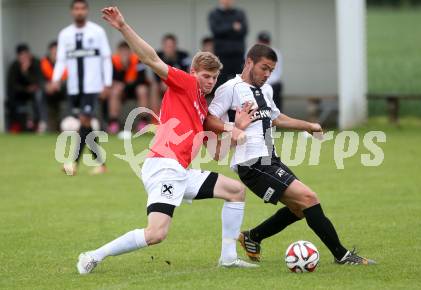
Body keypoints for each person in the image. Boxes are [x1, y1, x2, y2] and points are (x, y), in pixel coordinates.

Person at [76, 6, 258, 275]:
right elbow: (151, 59)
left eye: (214, 78)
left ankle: (228, 258)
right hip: (164, 167)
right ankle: (93, 255)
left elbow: (215, 140)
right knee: (156, 234)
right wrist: (123, 27)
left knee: (235, 191)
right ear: (194, 72)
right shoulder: (185, 84)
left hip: (180, 171)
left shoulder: (199, 106)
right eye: (205, 76)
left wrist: (236, 128)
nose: (209, 82)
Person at [205, 44, 376, 265]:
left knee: (299, 208)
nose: (267, 75)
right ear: (249, 62)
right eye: (264, 68)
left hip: (270, 159)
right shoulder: (231, 88)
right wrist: (234, 129)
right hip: (252, 163)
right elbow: (209, 118)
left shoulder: (266, 90)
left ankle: (252, 237)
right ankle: (342, 255)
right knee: (309, 198)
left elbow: (277, 118)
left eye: (271, 70)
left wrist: (309, 125)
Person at [52, 0, 112, 175]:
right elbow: (61, 60)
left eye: (82, 9)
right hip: (74, 87)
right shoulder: (65, 34)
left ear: (86, 11)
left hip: (91, 86)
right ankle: (101, 164)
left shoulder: (97, 32)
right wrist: (55, 79)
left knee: (84, 122)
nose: (79, 12)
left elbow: (106, 58)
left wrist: (107, 83)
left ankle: (72, 164)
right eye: (76, 9)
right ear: (72, 12)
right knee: (85, 125)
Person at [107, 41, 157, 134]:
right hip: (122, 90)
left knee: (142, 90)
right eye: (122, 51)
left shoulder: (137, 60)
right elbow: (113, 79)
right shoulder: (113, 61)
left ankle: (143, 121)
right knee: (115, 90)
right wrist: (124, 68)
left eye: (126, 51)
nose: (124, 54)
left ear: (130, 52)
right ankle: (113, 122)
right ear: (118, 52)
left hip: (135, 89)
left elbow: (142, 78)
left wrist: (131, 82)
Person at [6, 44, 44, 133]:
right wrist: (26, 89)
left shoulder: (36, 63)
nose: (24, 57)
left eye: (26, 54)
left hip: (35, 95)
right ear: (18, 56)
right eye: (21, 55)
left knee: (39, 95)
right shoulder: (14, 66)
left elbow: (39, 80)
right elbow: (12, 86)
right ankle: (26, 125)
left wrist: (26, 73)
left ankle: (41, 124)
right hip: (20, 96)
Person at [208, 0, 248, 87]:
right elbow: (216, 30)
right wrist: (232, 27)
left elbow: (243, 31)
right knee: (221, 83)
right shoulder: (214, 14)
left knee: (239, 82)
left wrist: (224, 29)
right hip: (222, 55)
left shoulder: (239, 14)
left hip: (237, 55)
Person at [40, 41, 68, 132]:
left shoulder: (66, 63)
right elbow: (39, 79)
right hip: (48, 93)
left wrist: (59, 84)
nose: (55, 55)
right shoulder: (43, 63)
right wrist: (46, 86)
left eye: (57, 52)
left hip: (63, 92)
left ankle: (65, 126)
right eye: (53, 52)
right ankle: (43, 123)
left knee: (69, 93)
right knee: (39, 94)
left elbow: (69, 78)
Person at [257, 31, 283, 112]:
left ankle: (277, 114)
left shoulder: (276, 53)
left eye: (266, 42)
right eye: (262, 42)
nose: (264, 44)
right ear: (258, 42)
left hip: (271, 82)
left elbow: (277, 73)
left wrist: (266, 82)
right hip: (256, 82)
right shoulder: (252, 52)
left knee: (277, 85)